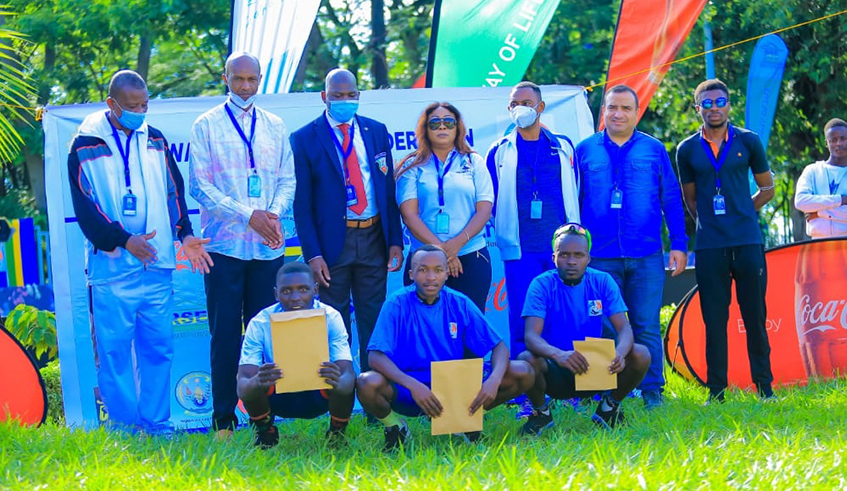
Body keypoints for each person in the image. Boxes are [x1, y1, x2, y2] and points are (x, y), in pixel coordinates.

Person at [67, 70, 213, 435]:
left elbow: (173, 191)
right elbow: (85, 207)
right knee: (114, 353)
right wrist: (122, 239)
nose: (140, 111)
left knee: (158, 348)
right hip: (113, 269)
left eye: (144, 104)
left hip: (157, 266)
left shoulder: (156, 139)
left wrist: (185, 234)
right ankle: (125, 428)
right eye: (131, 106)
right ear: (111, 104)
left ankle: (157, 422)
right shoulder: (85, 144)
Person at [189, 52, 296, 437]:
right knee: (225, 334)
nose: (246, 86)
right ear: (225, 78)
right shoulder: (206, 125)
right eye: (239, 79)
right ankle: (222, 419)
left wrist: (272, 214)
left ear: (261, 78)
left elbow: (288, 179)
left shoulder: (275, 125)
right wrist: (247, 214)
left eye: (253, 79)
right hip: (224, 246)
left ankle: (263, 415)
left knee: (266, 332)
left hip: (267, 246)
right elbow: (199, 185)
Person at [356, 244, 535, 451]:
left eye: (438, 270)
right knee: (366, 383)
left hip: (454, 386)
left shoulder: (459, 302)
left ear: (447, 273)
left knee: (522, 371)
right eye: (423, 270)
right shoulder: (396, 303)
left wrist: (493, 381)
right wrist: (413, 385)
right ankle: (396, 427)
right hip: (411, 388)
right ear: (412, 274)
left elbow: (499, 347)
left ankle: (464, 419)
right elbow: (375, 357)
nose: (431, 277)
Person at [574, 85, 687, 409]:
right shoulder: (584, 151)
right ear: (603, 113)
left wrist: (678, 243)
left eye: (625, 108)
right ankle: (601, 390)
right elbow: (574, 202)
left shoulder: (654, 149)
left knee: (646, 323)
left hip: (646, 253)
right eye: (612, 108)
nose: (619, 114)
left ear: (637, 113)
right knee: (601, 324)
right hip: (598, 257)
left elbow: (671, 198)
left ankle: (652, 391)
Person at [292, 68, 404, 375]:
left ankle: (374, 401)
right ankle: (340, 401)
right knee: (335, 324)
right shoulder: (304, 138)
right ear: (324, 96)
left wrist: (395, 240)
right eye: (337, 95)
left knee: (373, 319)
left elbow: (387, 190)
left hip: (373, 238)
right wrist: (313, 254)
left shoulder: (376, 130)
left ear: (358, 95)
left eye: (350, 95)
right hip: (331, 247)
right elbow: (301, 205)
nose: (344, 100)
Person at [675, 79, 776, 404]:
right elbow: (690, 200)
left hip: (747, 242)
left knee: (755, 317)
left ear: (729, 105)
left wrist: (742, 211)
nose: (714, 108)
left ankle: (765, 389)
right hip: (709, 247)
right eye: (707, 103)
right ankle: (716, 392)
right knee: (714, 320)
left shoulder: (749, 141)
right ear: (697, 108)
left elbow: (768, 189)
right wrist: (712, 221)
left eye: (720, 102)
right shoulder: (687, 149)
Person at [519, 224, 650, 434]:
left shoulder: (602, 281)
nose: (571, 261)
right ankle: (541, 415)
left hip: (597, 368)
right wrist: (559, 355)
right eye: (564, 255)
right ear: (554, 257)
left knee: (640, 354)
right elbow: (531, 337)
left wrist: (619, 354)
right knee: (526, 359)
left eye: (578, 255)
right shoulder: (541, 285)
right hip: (557, 367)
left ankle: (608, 408)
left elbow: (624, 330)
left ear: (588, 258)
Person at [486, 81, 580, 366]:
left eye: (526, 103)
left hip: (562, 250)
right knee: (523, 318)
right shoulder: (499, 150)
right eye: (514, 104)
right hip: (521, 249)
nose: (520, 109)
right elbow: (491, 199)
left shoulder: (563, 146)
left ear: (541, 107)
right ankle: (524, 386)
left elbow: (577, 189)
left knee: (563, 315)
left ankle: (568, 384)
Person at [236, 262, 355, 449]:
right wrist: (257, 380)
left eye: (303, 289)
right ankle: (266, 432)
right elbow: (243, 385)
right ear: (276, 294)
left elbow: (348, 376)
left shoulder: (330, 317)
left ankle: (337, 434)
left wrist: (339, 380)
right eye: (286, 291)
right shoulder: (260, 322)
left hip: (320, 395)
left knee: (341, 381)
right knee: (255, 384)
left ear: (315, 290)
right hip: (279, 396)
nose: (295, 298)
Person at [395, 102, 494, 311]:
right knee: (422, 327)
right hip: (424, 260)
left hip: (470, 254)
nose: (442, 127)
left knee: (468, 328)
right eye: (435, 123)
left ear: (457, 127)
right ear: (425, 129)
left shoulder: (474, 161)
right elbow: (409, 216)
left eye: (448, 122)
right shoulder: (412, 165)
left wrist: (457, 245)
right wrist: (442, 253)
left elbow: (484, 209)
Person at [795, 118, 847, 238]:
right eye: (833, 140)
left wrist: (818, 213)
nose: (839, 143)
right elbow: (801, 201)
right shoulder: (812, 171)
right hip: (818, 245)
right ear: (826, 143)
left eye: (843, 138)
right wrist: (842, 200)